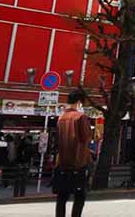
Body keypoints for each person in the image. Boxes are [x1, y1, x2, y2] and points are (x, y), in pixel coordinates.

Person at [54, 89, 92, 217]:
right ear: (79, 102)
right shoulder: (81, 117)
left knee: (62, 196)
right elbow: (85, 139)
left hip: (63, 163)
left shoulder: (61, 118)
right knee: (79, 196)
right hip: (78, 162)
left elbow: (58, 140)